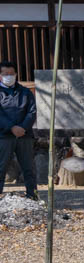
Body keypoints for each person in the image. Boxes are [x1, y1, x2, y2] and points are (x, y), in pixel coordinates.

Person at [0, 60, 37, 200]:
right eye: (5, 74)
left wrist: (22, 127)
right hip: (3, 136)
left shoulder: (25, 92)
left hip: (24, 135)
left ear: (16, 74)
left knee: (29, 169)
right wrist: (11, 127)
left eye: (11, 73)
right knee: (0, 168)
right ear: (0, 76)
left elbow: (32, 112)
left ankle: (33, 196)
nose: (9, 76)